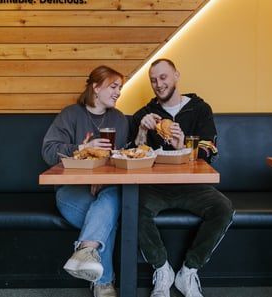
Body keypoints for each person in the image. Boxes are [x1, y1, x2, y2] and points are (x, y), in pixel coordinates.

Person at [130, 59, 234, 297]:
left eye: (164, 77)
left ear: (176, 76)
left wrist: (184, 146)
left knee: (223, 207)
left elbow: (209, 152)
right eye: (154, 80)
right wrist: (142, 134)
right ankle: (162, 269)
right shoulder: (143, 115)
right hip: (154, 188)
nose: (159, 84)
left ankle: (188, 271)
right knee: (130, 206)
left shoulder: (199, 109)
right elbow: (132, 155)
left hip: (192, 186)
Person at [42, 65, 128, 297]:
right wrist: (83, 148)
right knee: (107, 220)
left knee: (111, 200)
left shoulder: (119, 119)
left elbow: (124, 158)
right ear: (96, 87)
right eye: (113, 86)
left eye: (120, 87)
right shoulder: (71, 114)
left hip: (108, 191)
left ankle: (85, 250)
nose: (118, 92)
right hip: (72, 191)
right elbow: (48, 151)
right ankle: (104, 283)